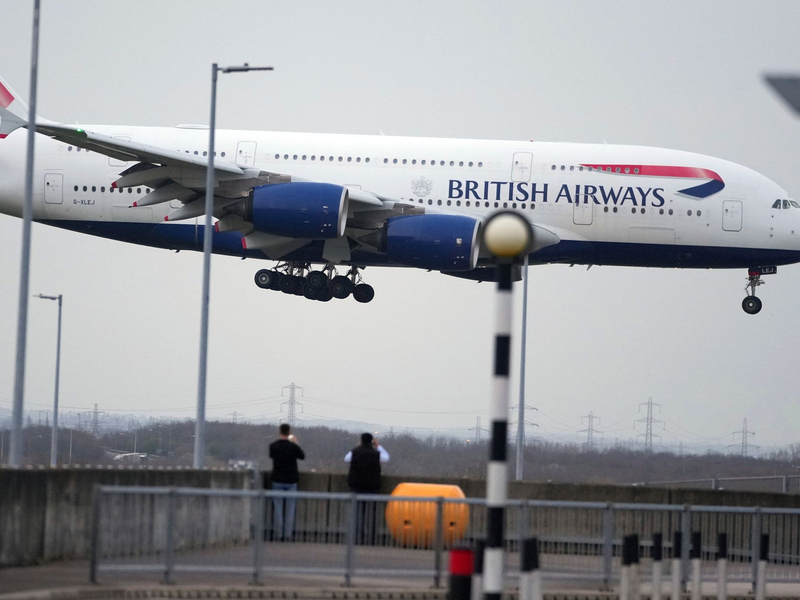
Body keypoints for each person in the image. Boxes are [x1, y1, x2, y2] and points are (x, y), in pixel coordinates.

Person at [344, 433, 390, 544]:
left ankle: (356, 538)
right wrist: (378, 446)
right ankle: (372, 538)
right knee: (372, 515)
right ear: (372, 442)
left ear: (361, 440)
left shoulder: (355, 452)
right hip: (372, 487)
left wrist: (358, 446)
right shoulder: (376, 453)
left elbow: (346, 458)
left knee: (357, 514)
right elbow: (387, 457)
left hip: (357, 487)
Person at [269, 423, 305, 540]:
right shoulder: (293, 447)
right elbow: (302, 456)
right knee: (290, 509)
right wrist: (295, 443)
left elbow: (272, 456)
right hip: (291, 480)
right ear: (289, 432)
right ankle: (288, 534)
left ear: (279, 431)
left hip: (277, 479)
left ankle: (278, 534)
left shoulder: (273, 446)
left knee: (278, 509)